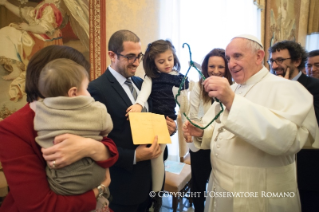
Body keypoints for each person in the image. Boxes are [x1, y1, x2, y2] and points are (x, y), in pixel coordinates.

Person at [183, 34, 319, 212]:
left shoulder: (287, 88)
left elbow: (287, 139)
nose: (231, 64)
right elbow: (222, 130)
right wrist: (202, 132)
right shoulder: (233, 89)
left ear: (259, 56)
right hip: (220, 188)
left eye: (237, 56)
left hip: (258, 194)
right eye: (229, 58)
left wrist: (233, 102)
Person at [0, 45, 119, 212]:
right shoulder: (13, 128)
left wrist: (90, 147)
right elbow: (40, 206)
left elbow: (111, 150)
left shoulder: (80, 110)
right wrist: (98, 190)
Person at [88, 30, 177, 212]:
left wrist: (171, 128)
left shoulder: (140, 82)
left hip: (151, 184)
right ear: (112, 55)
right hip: (123, 188)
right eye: (130, 57)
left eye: (139, 56)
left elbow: (155, 117)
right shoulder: (96, 89)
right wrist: (135, 156)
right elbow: (96, 144)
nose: (137, 63)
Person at [34, 58, 113, 204]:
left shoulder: (39, 111)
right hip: (94, 177)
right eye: (87, 88)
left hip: (60, 185)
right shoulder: (95, 110)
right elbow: (108, 128)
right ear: (73, 92)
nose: (89, 93)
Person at [126, 39, 189, 210]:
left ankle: (156, 195)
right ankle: (156, 194)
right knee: (156, 157)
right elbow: (144, 93)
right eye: (161, 61)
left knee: (158, 156)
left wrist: (182, 118)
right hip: (152, 118)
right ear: (153, 63)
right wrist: (138, 105)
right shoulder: (151, 77)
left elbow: (185, 106)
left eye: (170, 59)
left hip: (167, 120)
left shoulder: (180, 79)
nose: (167, 64)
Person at [268, 40, 319, 212]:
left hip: (308, 163)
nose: (275, 66)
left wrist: (289, 89)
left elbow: (313, 122)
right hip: (277, 163)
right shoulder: (270, 87)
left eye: (280, 60)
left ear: (297, 61)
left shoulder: (315, 86)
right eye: (272, 61)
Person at [186, 48, 232, 212]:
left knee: (220, 182)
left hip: (224, 143)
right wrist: (201, 131)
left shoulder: (233, 88)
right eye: (212, 66)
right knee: (199, 183)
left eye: (220, 66)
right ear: (205, 67)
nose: (216, 71)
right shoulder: (199, 86)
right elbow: (194, 115)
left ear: (227, 67)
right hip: (200, 142)